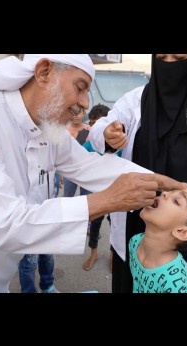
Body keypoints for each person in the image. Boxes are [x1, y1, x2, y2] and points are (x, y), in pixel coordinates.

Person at [0, 54, 187, 293]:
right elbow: (7, 223)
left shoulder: (44, 124)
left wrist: (155, 180)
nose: (84, 103)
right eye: (80, 88)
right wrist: (106, 201)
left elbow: (88, 165)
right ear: (44, 71)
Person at [90, 54, 187, 293]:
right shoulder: (136, 100)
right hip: (137, 216)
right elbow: (100, 129)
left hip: (181, 217)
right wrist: (108, 134)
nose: (169, 64)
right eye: (162, 57)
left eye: (179, 57)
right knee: (129, 277)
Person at [129, 190, 187, 293]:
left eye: (176, 201)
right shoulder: (135, 242)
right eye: (170, 191)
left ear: (182, 232)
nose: (164, 193)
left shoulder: (177, 285)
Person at [82, 104, 115, 271]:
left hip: (117, 193)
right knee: (94, 224)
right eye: (92, 124)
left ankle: (112, 254)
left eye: (99, 124)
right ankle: (93, 253)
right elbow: (76, 159)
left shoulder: (118, 143)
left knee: (116, 225)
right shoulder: (89, 145)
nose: (95, 128)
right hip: (98, 193)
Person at [62, 108, 91, 198]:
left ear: (83, 113)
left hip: (87, 171)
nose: (76, 116)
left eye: (78, 113)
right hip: (69, 171)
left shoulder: (90, 130)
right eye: (73, 113)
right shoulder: (64, 131)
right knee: (67, 197)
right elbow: (61, 153)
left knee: (86, 198)